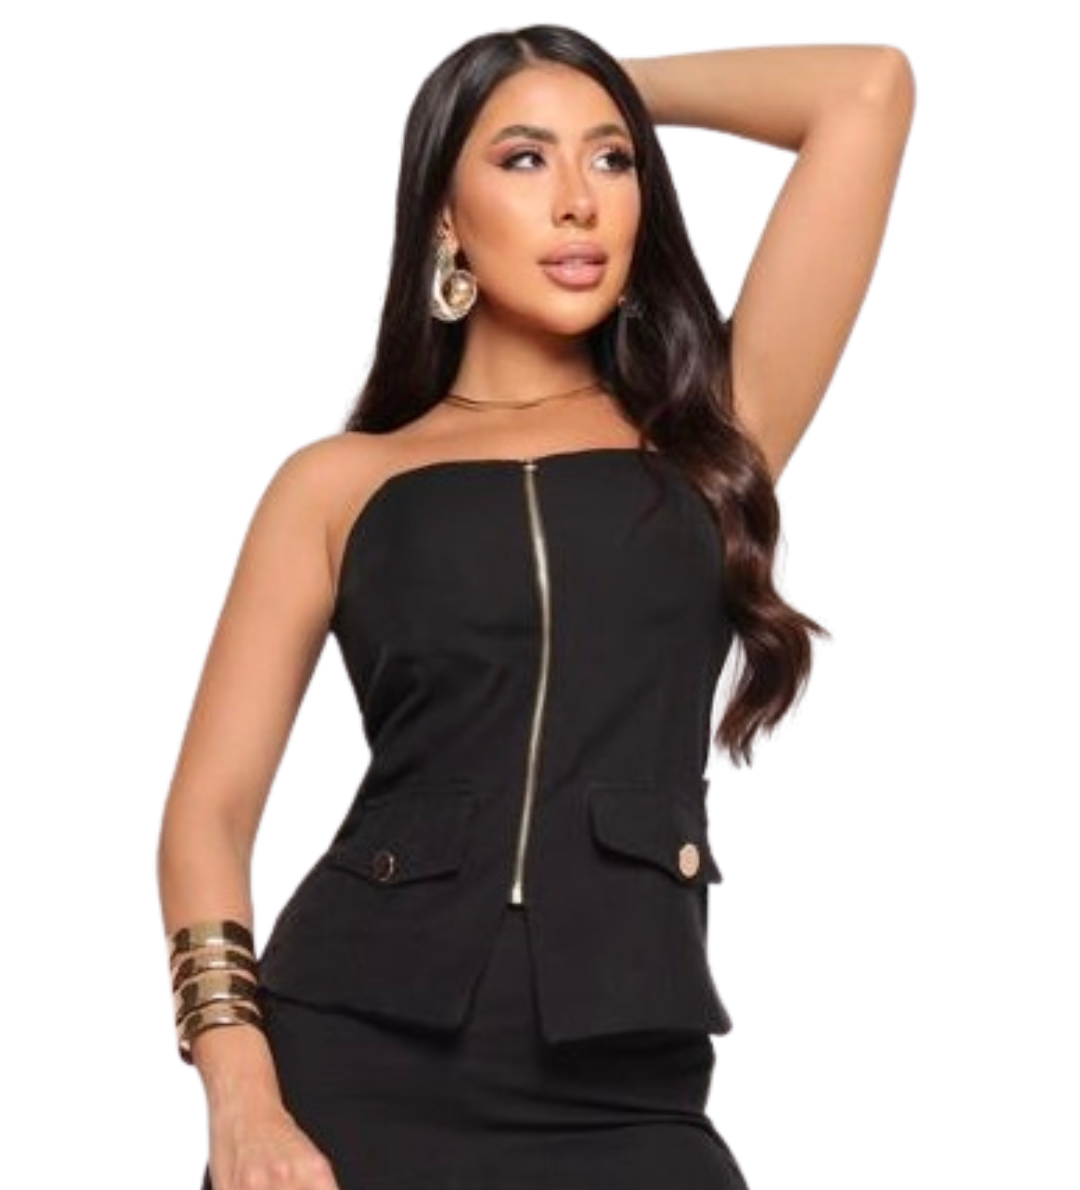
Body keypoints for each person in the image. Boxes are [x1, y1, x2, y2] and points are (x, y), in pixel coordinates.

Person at [157, 24, 915, 1190]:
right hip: (349, 1063)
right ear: (445, 214)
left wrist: (604, 87)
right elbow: (206, 812)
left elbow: (866, 89)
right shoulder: (337, 482)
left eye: (610, 159)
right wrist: (243, 1095)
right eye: (522, 158)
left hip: (627, 1087)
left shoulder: (712, 437)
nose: (578, 200)